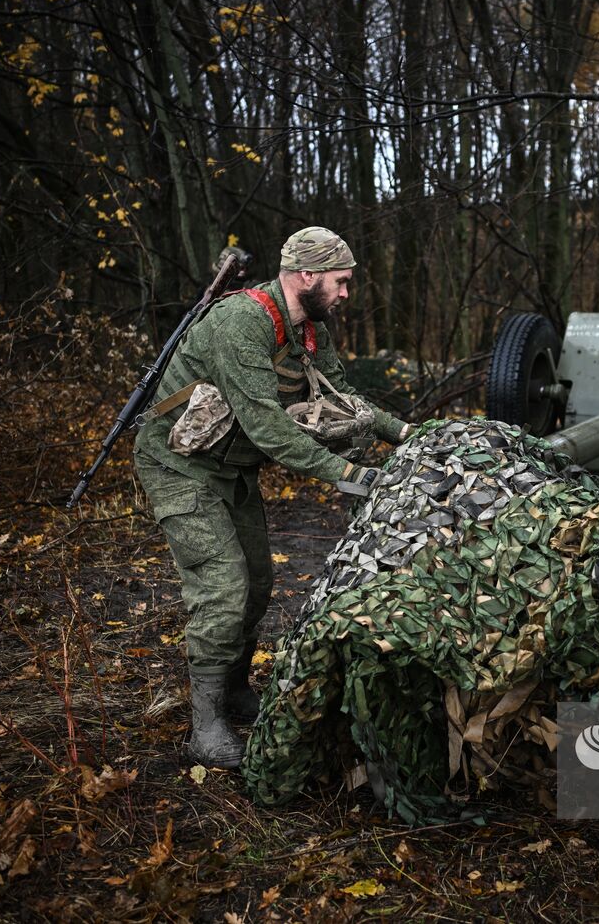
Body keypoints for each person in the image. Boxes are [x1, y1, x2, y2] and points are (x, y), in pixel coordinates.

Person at [133, 226, 413, 768]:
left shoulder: (310, 330)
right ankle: (206, 726)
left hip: (231, 470)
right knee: (224, 587)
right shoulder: (242, 323)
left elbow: (344, 399)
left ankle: (234, 690)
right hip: (180, 466)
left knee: (258, 582)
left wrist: (404, 434)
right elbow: (266, 426)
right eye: (341, 281)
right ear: (307, 276)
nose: (347, 292)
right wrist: (346, 474)